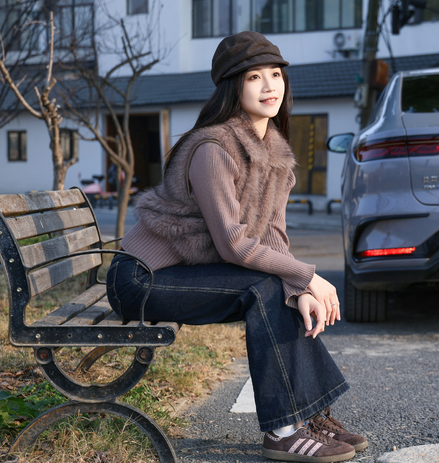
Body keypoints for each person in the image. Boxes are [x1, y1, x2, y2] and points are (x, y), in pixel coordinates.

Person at [106, 32, 366, 463]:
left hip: (182, 275)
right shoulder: (214, 147)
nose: (269, 86)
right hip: (139, 279)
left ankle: (307, 416)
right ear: (233, 87)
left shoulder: (274, 154)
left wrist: (298, 287)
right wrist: (309, 277)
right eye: (254, 77)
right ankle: (283, 431)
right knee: (264, 288)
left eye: (276, 74)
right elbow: (233, 245)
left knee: (276, 288)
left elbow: (273, 236)